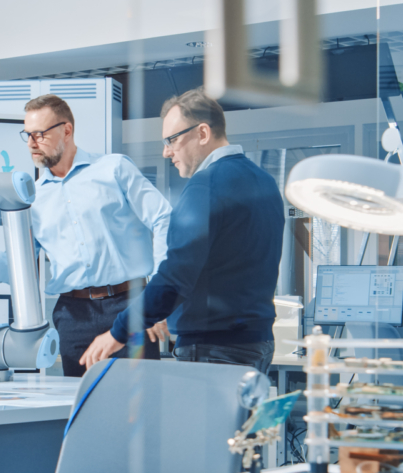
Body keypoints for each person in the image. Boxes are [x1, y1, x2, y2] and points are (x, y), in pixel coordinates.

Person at [0, 94, 174, 377]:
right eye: (27, 135)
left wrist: (156, 299)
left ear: (67, 130)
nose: (31, 143)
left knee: (139, 407)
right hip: (73, 316)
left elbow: (164, 219)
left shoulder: (114, 169)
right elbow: (22, 271)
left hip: (129, 305)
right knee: (80, 408)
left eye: (40, 134)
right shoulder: (33, 198)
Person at [80, 88, 283, 374]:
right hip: (257, 343)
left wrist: (118, 331)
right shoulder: (265, 183)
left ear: (202, 133)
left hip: (214, 348)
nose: (166, 152)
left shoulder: (206, 186)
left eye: (172, 140)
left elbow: (175, 276)